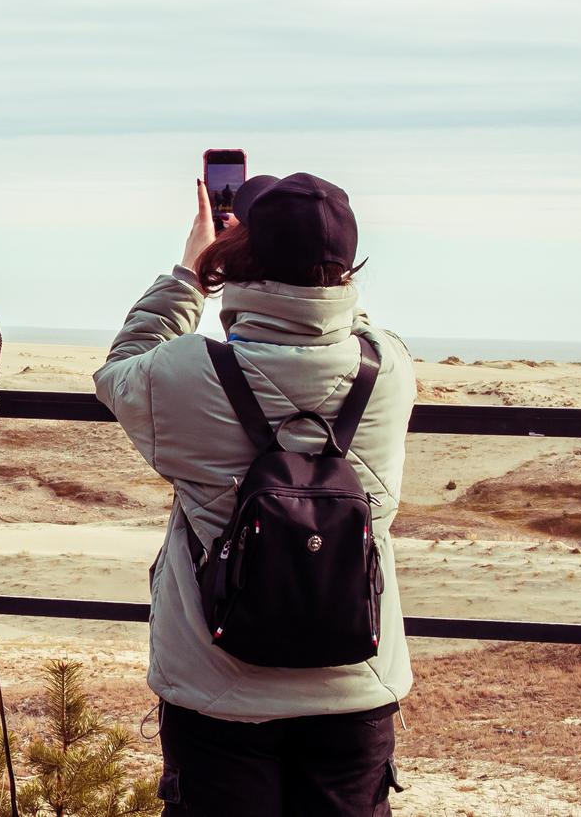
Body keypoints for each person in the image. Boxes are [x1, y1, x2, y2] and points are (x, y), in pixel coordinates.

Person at [94, 173, 415, 816]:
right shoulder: (388, 366)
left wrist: (190, 272)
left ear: (242, 260)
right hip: (355, 685)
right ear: (347, 271)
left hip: (219, 688)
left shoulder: (186, 372)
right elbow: (346, 323)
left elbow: (120, 369)